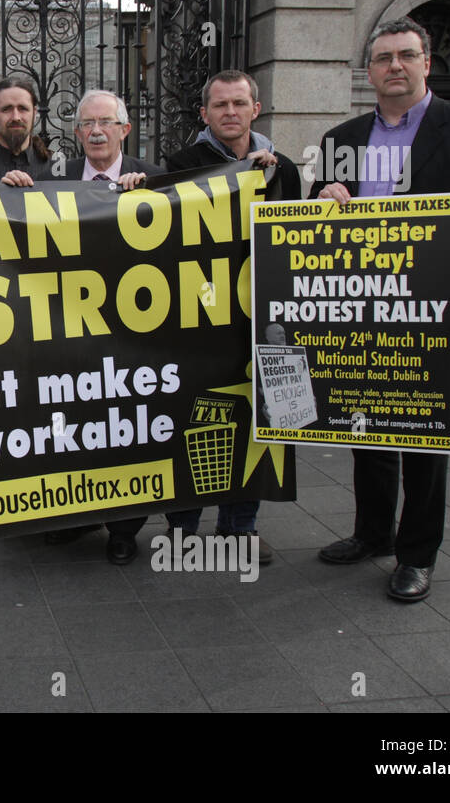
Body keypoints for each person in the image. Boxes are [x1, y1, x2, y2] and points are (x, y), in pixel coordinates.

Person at [311, 17, 450, 602]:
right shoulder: (342, 139)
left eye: (406, 55)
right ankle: (372, 533)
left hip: (437, 311)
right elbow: (314, 225)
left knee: (424, 434)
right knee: (367, 427)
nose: (394, 66)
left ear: (426, 62)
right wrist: (323, 195)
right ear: (369, 71)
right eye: (383, 58)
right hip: (360, 309)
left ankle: (417, 553)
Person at [161, 69, 303, 566]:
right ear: (204, 113)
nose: (230, 112)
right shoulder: (181, 164)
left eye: (239, 103)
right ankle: (182, 526)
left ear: (255, 109)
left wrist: (276, 179)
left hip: (262, 319)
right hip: (200, 318)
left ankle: (240, 527)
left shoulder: (282, 166)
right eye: (220, 105)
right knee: (193, 418)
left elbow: (295, 237)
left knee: (257, 420)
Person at [33, 90, 171, 564]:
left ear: (124, 129)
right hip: (70, 327)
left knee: (125, 424)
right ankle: (79, 517)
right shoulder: (51, 177)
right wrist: (10, 186)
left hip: (133, 330)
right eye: (87, 123)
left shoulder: (153, 177)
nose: (96, 130)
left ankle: (124, 528)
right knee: (77, 425)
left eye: (106, 122)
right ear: (75, 134)